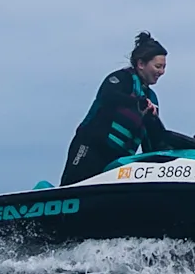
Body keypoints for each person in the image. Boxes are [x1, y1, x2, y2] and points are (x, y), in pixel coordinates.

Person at [60, 31, 181, 185]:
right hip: (90, 148)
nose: (161, 72)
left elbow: (152, 142)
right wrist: (138, 102)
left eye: (164, 67)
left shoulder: (152, 98)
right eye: (158, 66)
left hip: (116, 160)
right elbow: (108, 96)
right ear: (141, 64)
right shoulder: (120, 79)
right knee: (72, 185)